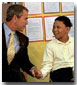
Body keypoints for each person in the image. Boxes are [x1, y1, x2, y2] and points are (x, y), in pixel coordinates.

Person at [2, 4, 40, 82]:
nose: (27, 23)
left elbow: (25, 62)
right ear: (15, 18)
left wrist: (33, 69)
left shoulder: (24, 39)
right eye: (25, 19)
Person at [34, 16, 74, 82]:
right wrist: (41, 74)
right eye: (53, 27)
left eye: (58, 27)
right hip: (58, 75)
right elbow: (47, 65)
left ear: (67, 29)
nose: (55, 30)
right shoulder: (50, 45)